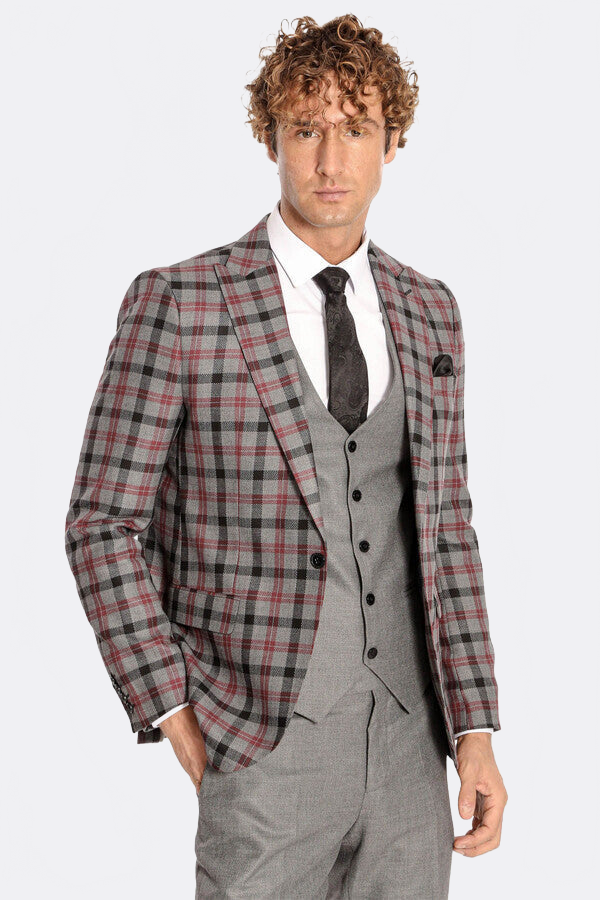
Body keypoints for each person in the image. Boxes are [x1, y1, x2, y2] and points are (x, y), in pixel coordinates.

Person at [64, 13, 507, 898]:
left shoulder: (430, 312)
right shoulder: (184, 302)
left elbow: (447, 529)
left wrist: (475, 729)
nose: (331, 160)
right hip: (260, 741)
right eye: (306, 130)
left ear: (393, 143)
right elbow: (101, 525)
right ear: (271, 139)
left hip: (412, 749)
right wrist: (175, 712)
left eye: (357, 130)